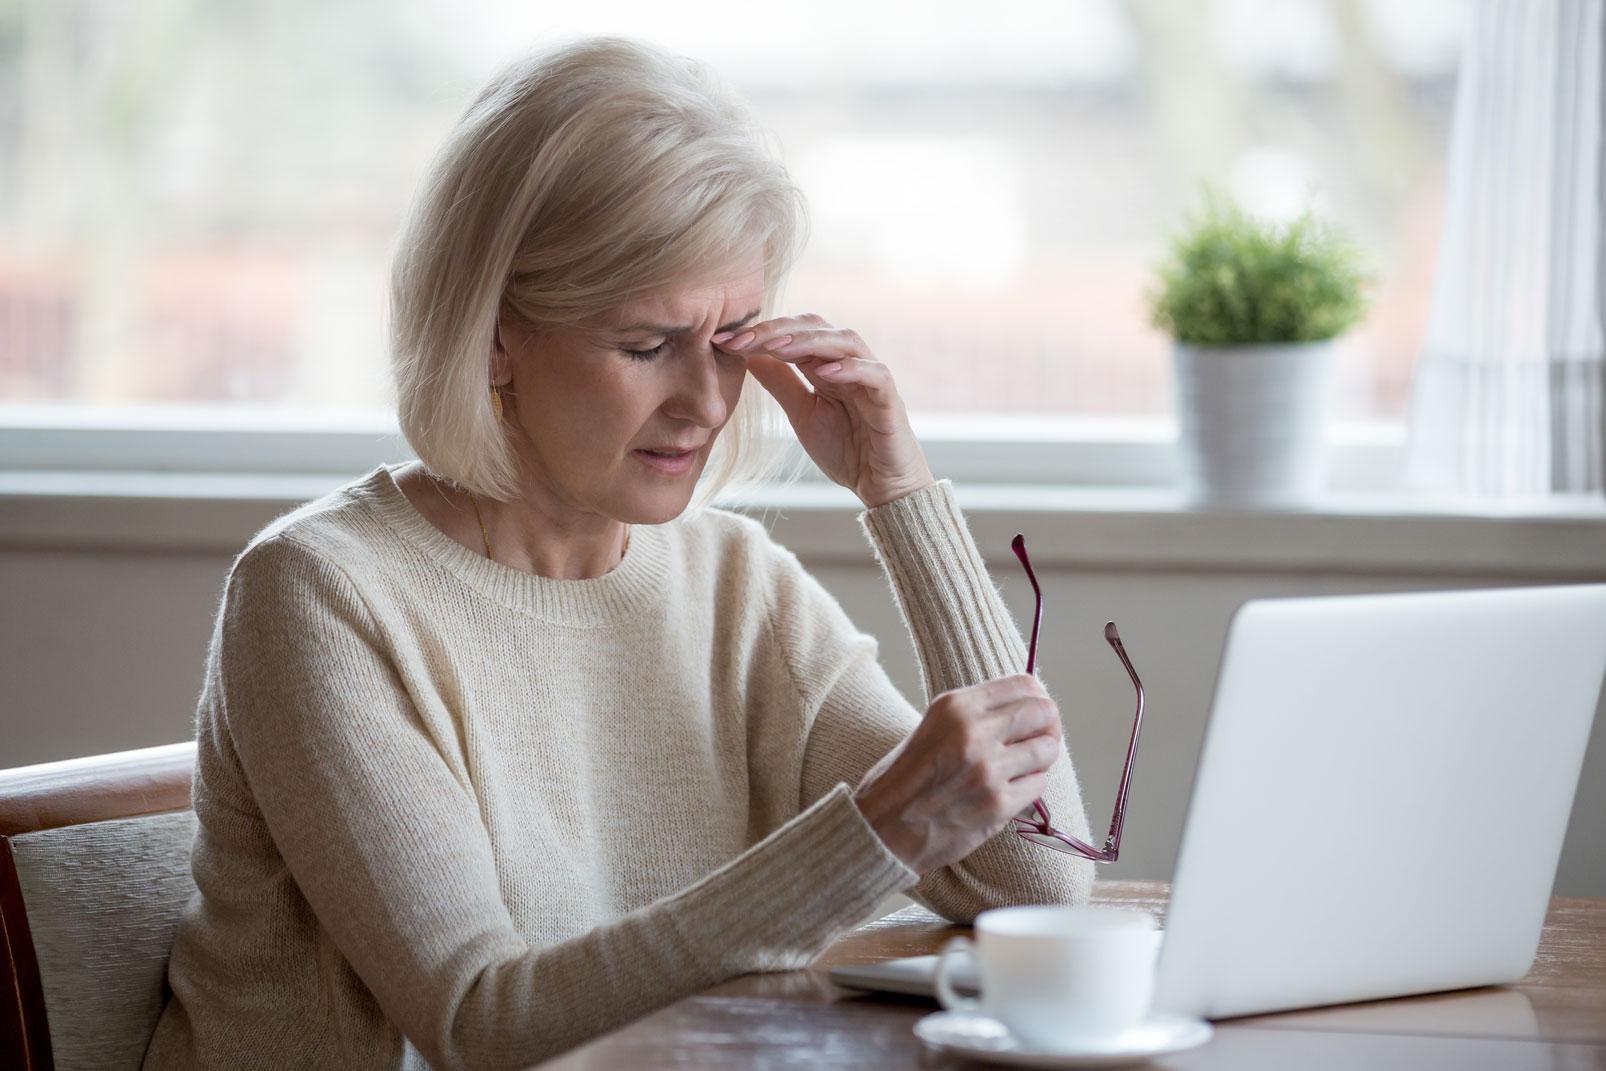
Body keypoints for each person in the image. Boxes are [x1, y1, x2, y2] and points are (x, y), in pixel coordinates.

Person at [141, 33, 1095, 1071]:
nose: (704, 403)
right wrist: (876, 834)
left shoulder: (736, 585)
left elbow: (1034, 884)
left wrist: (899, 494)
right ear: (494, 334)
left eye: (732, 341)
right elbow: (482, 1025)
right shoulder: (320, 594)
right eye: (647, 346)